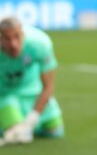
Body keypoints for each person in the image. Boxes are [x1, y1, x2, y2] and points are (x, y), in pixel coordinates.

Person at [0, 17, 64, 145]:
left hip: (33, 91)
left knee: (55, 132)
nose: (14, 44)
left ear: (22, 33)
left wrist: (30, 122)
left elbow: (48, 87)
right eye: (7, 39)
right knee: (15, 130)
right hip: (5, 95)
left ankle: (22, 126)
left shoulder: (40, 43)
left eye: (17, 36)